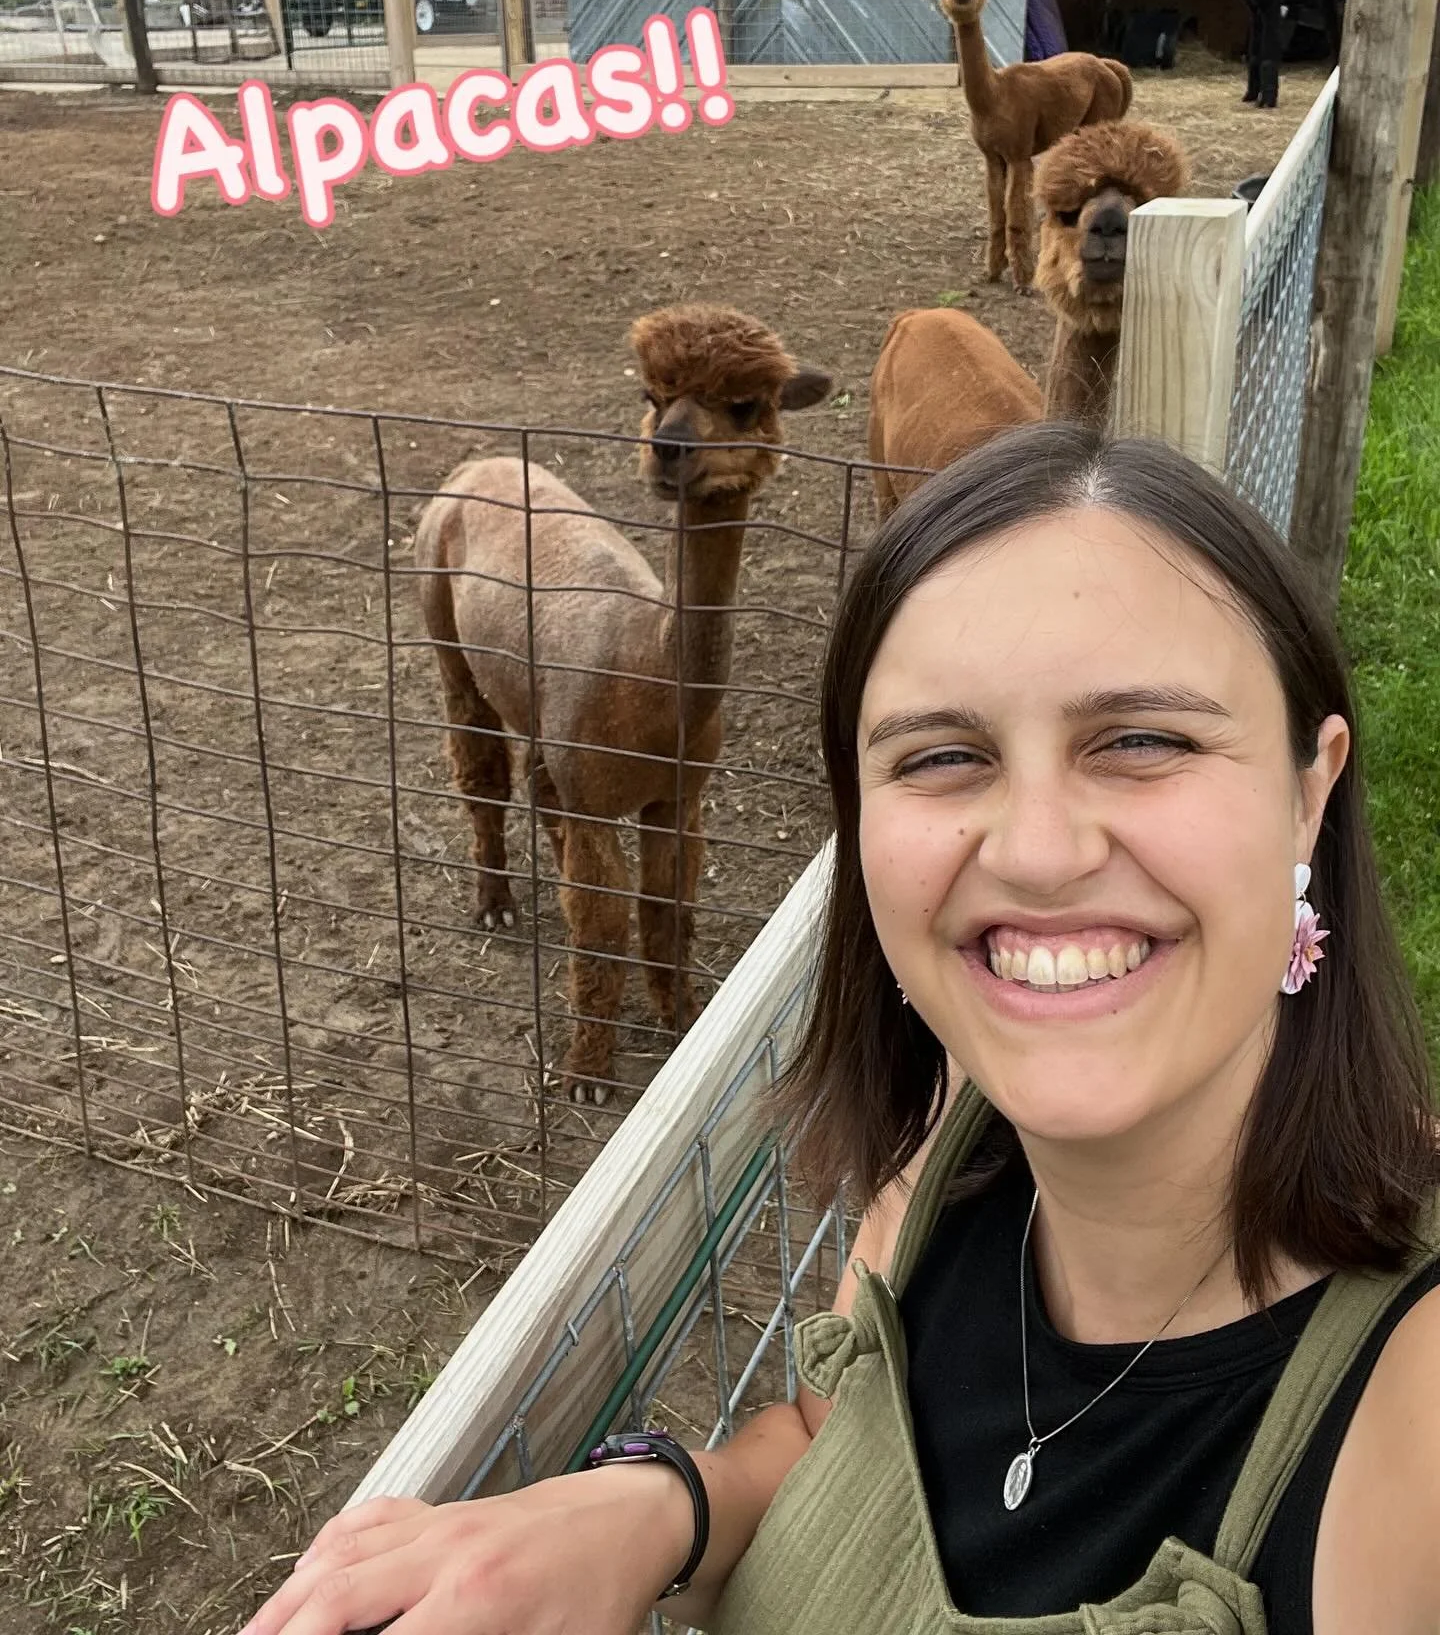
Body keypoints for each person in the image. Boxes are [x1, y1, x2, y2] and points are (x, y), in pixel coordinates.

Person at [241, 424, 1440, 1635]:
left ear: (1310, 789)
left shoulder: (1413, 1401)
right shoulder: (950, 1141)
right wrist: (656, 1510)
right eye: (944, 755)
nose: (1037, 852)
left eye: (1143, 740)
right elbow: (835, 1432)